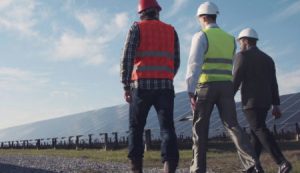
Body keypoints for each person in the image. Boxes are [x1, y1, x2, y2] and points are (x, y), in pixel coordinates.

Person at [185, 2, 264, 173]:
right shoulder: (230, 39)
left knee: (200, 129)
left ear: (203, 17)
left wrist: (190, 89)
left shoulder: (200, 36)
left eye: (199, 18)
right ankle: (253, 164)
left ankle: (198, 169)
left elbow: (194, 64)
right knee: (233, 126)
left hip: (206, 86)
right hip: (226, 87)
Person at [120, 0, 180, 172]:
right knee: (167, 128)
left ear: (141, 13)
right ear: (156, 11)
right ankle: (169, 167)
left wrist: (126, 85)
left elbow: (127, 58)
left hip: (141, 86)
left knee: (136, 128)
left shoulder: (136, 28)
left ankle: (136, 168)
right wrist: (167, 77)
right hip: (166, 87)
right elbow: (176, 61)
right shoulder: (171, 30)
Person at [233, 27, 293, 173]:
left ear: (245, 41)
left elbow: (236, 79)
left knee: (259, 129)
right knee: (256, 133)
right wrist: (276, 104)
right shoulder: (268, 59)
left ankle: (282, 162)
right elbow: (274, 83)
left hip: (250, 103)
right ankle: (254, 167)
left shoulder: (242, 56)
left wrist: (227, 97)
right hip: (265, 102)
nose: (240, 44)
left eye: (240, 41)